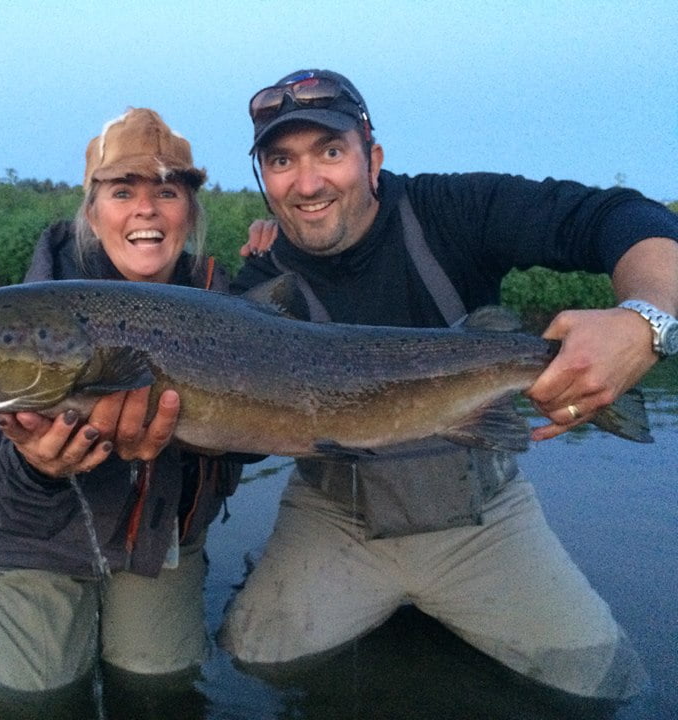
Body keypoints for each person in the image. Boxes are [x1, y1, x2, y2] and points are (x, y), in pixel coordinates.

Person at [218, 68, 678, 703]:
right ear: (264, 180)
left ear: (371, 157)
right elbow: (238, 441)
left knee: (606, 685)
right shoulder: (253, 292)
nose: (308, 182)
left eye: (330, 151)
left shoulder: (454, 210)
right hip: (336, 519)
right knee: (250, 661)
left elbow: (617, 215)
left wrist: (645, 320)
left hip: (483, 515)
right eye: (281, 160)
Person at [0, 108, 247, 694]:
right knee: (36, 696)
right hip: (40, 541)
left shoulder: (227, 305)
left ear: (189, 213)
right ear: (92, 213)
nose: (146, 208)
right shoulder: (27, 314)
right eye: (122, 191)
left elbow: (257, 445)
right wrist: (37, 464)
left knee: (159, 685)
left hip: (155, 540)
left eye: (166, 192)